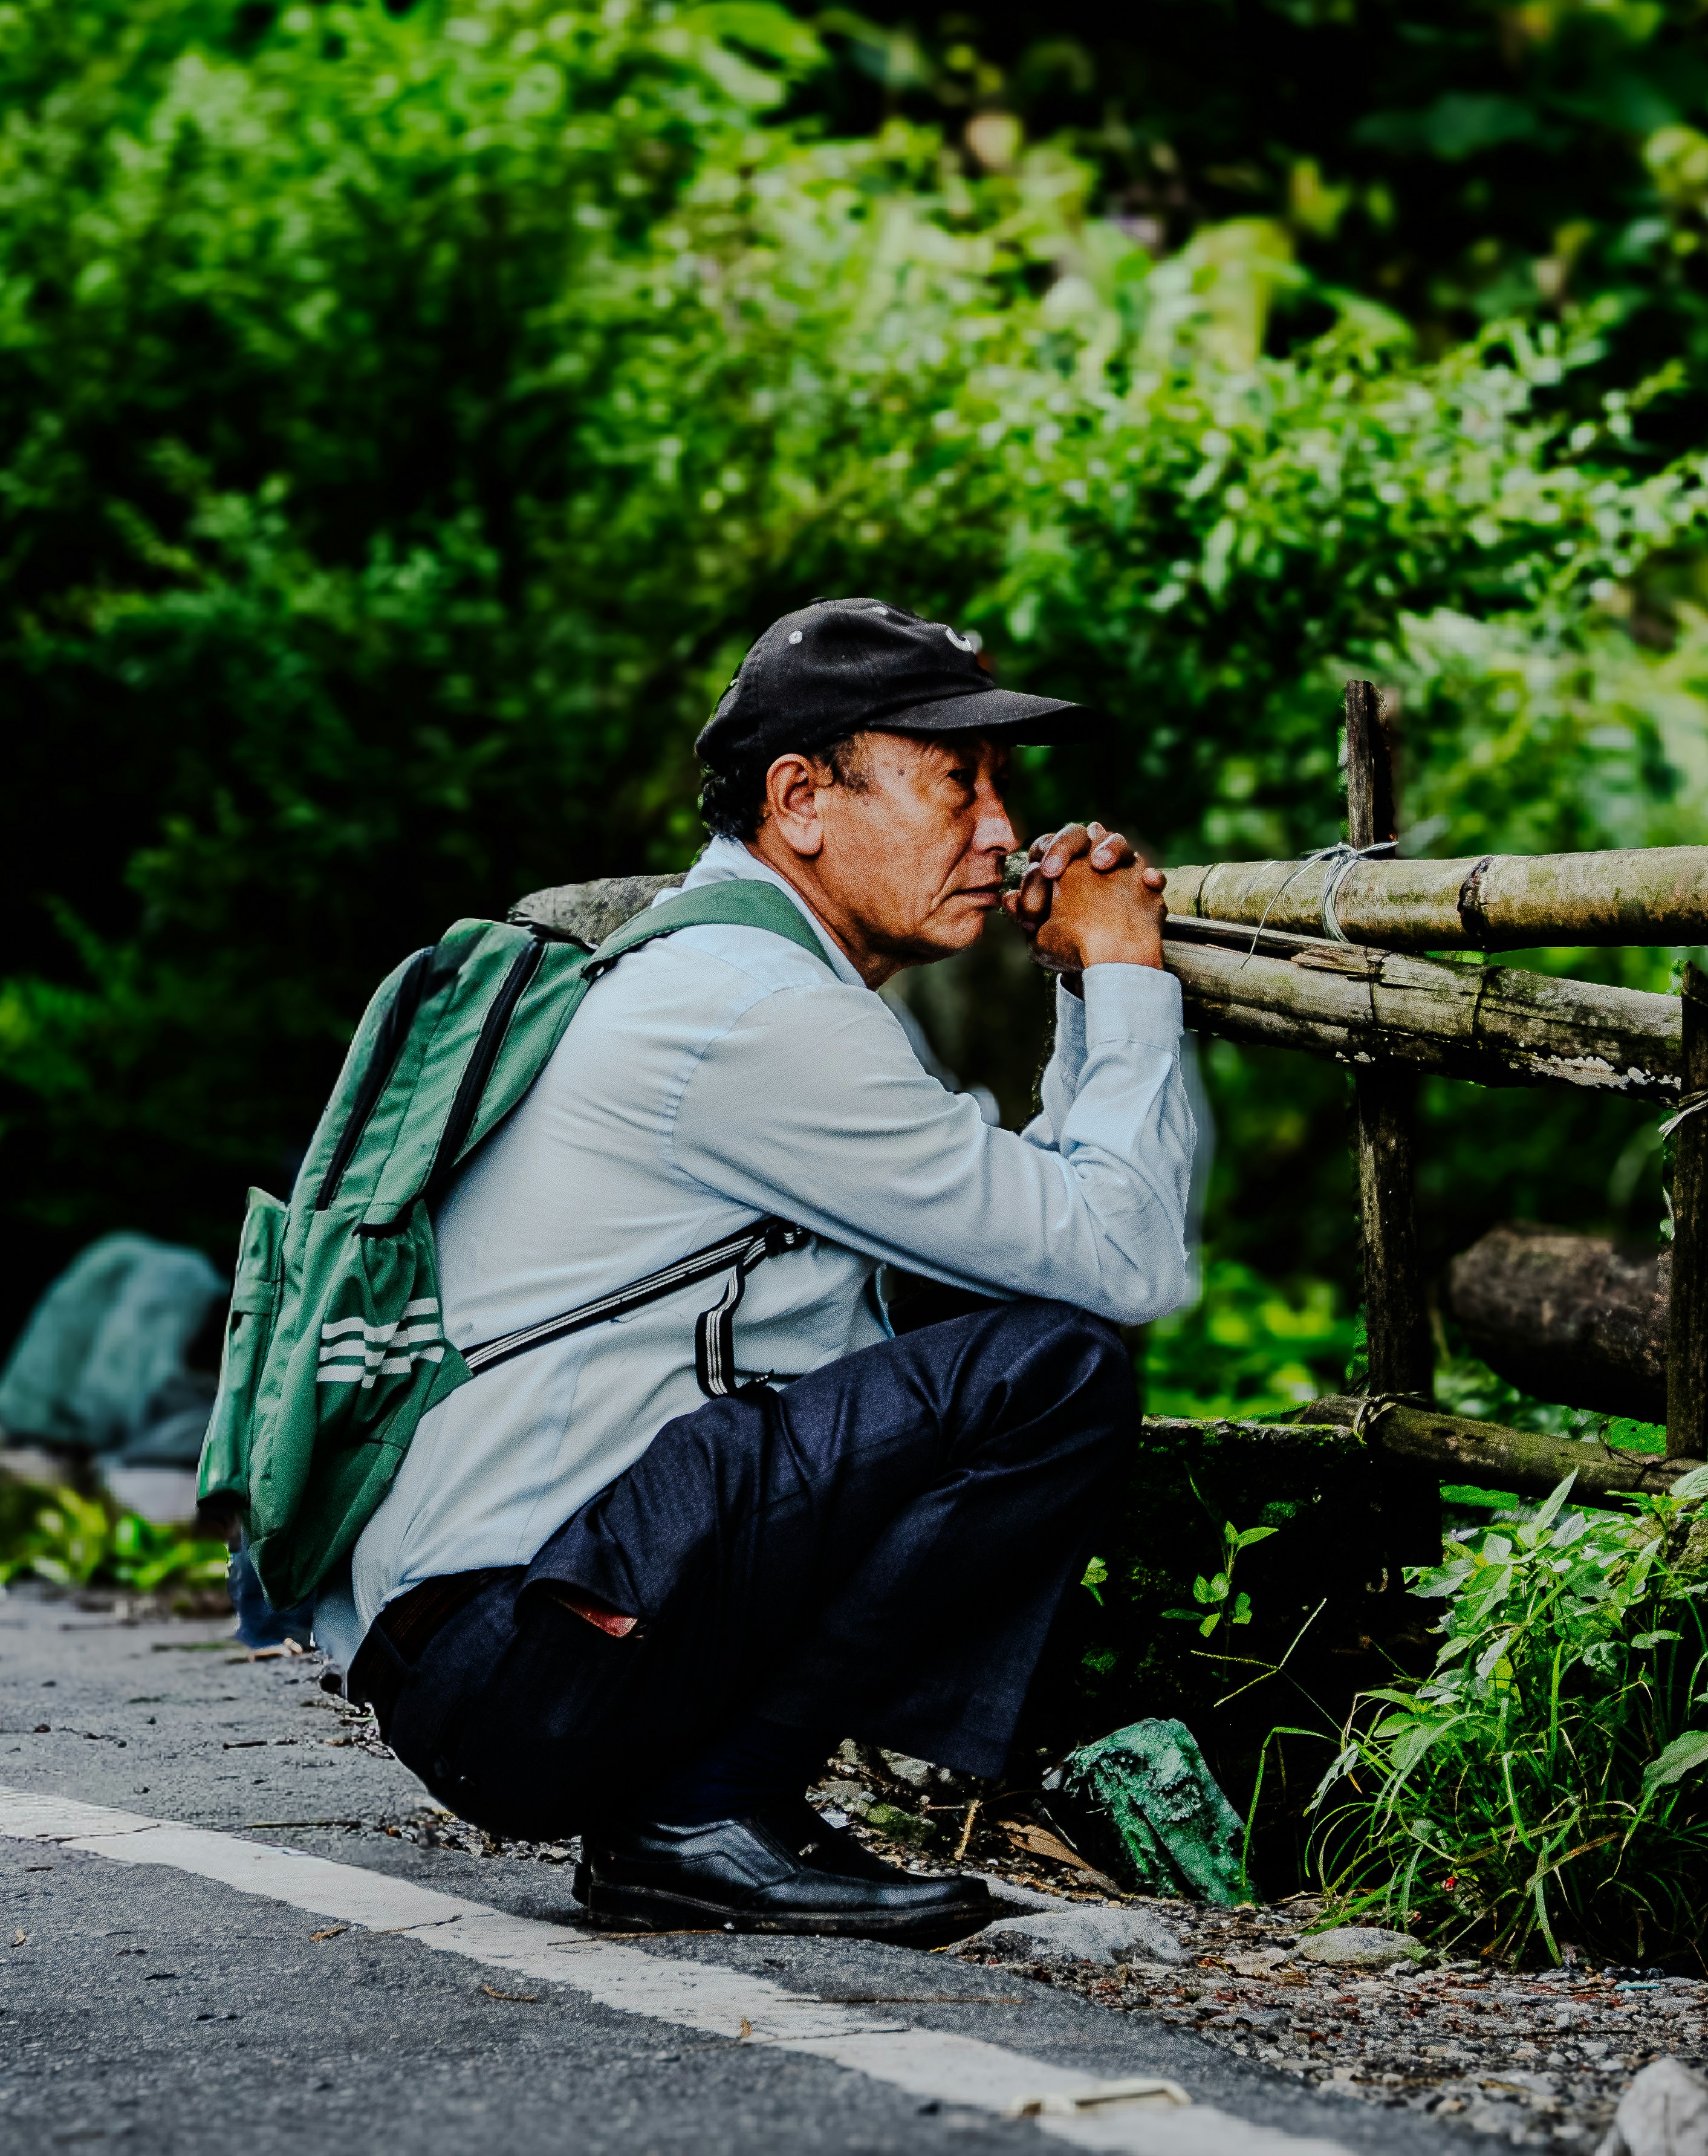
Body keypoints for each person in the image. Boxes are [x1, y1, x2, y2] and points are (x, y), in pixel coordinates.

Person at [322, 597, 1204, 1940]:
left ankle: (700, 1809)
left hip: (524, 1639)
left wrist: (1084, 989)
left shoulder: (746, 978)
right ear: (801, 799)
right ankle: (708, 1809)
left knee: (1021, 1339)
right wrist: (1134, 974)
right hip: (524, 1650)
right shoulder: (754, 1014)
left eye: (1000, 784)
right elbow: (1121, 1263)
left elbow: (1057, 1244)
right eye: (954, 779)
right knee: (1054, 1375)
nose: (1000, 829)